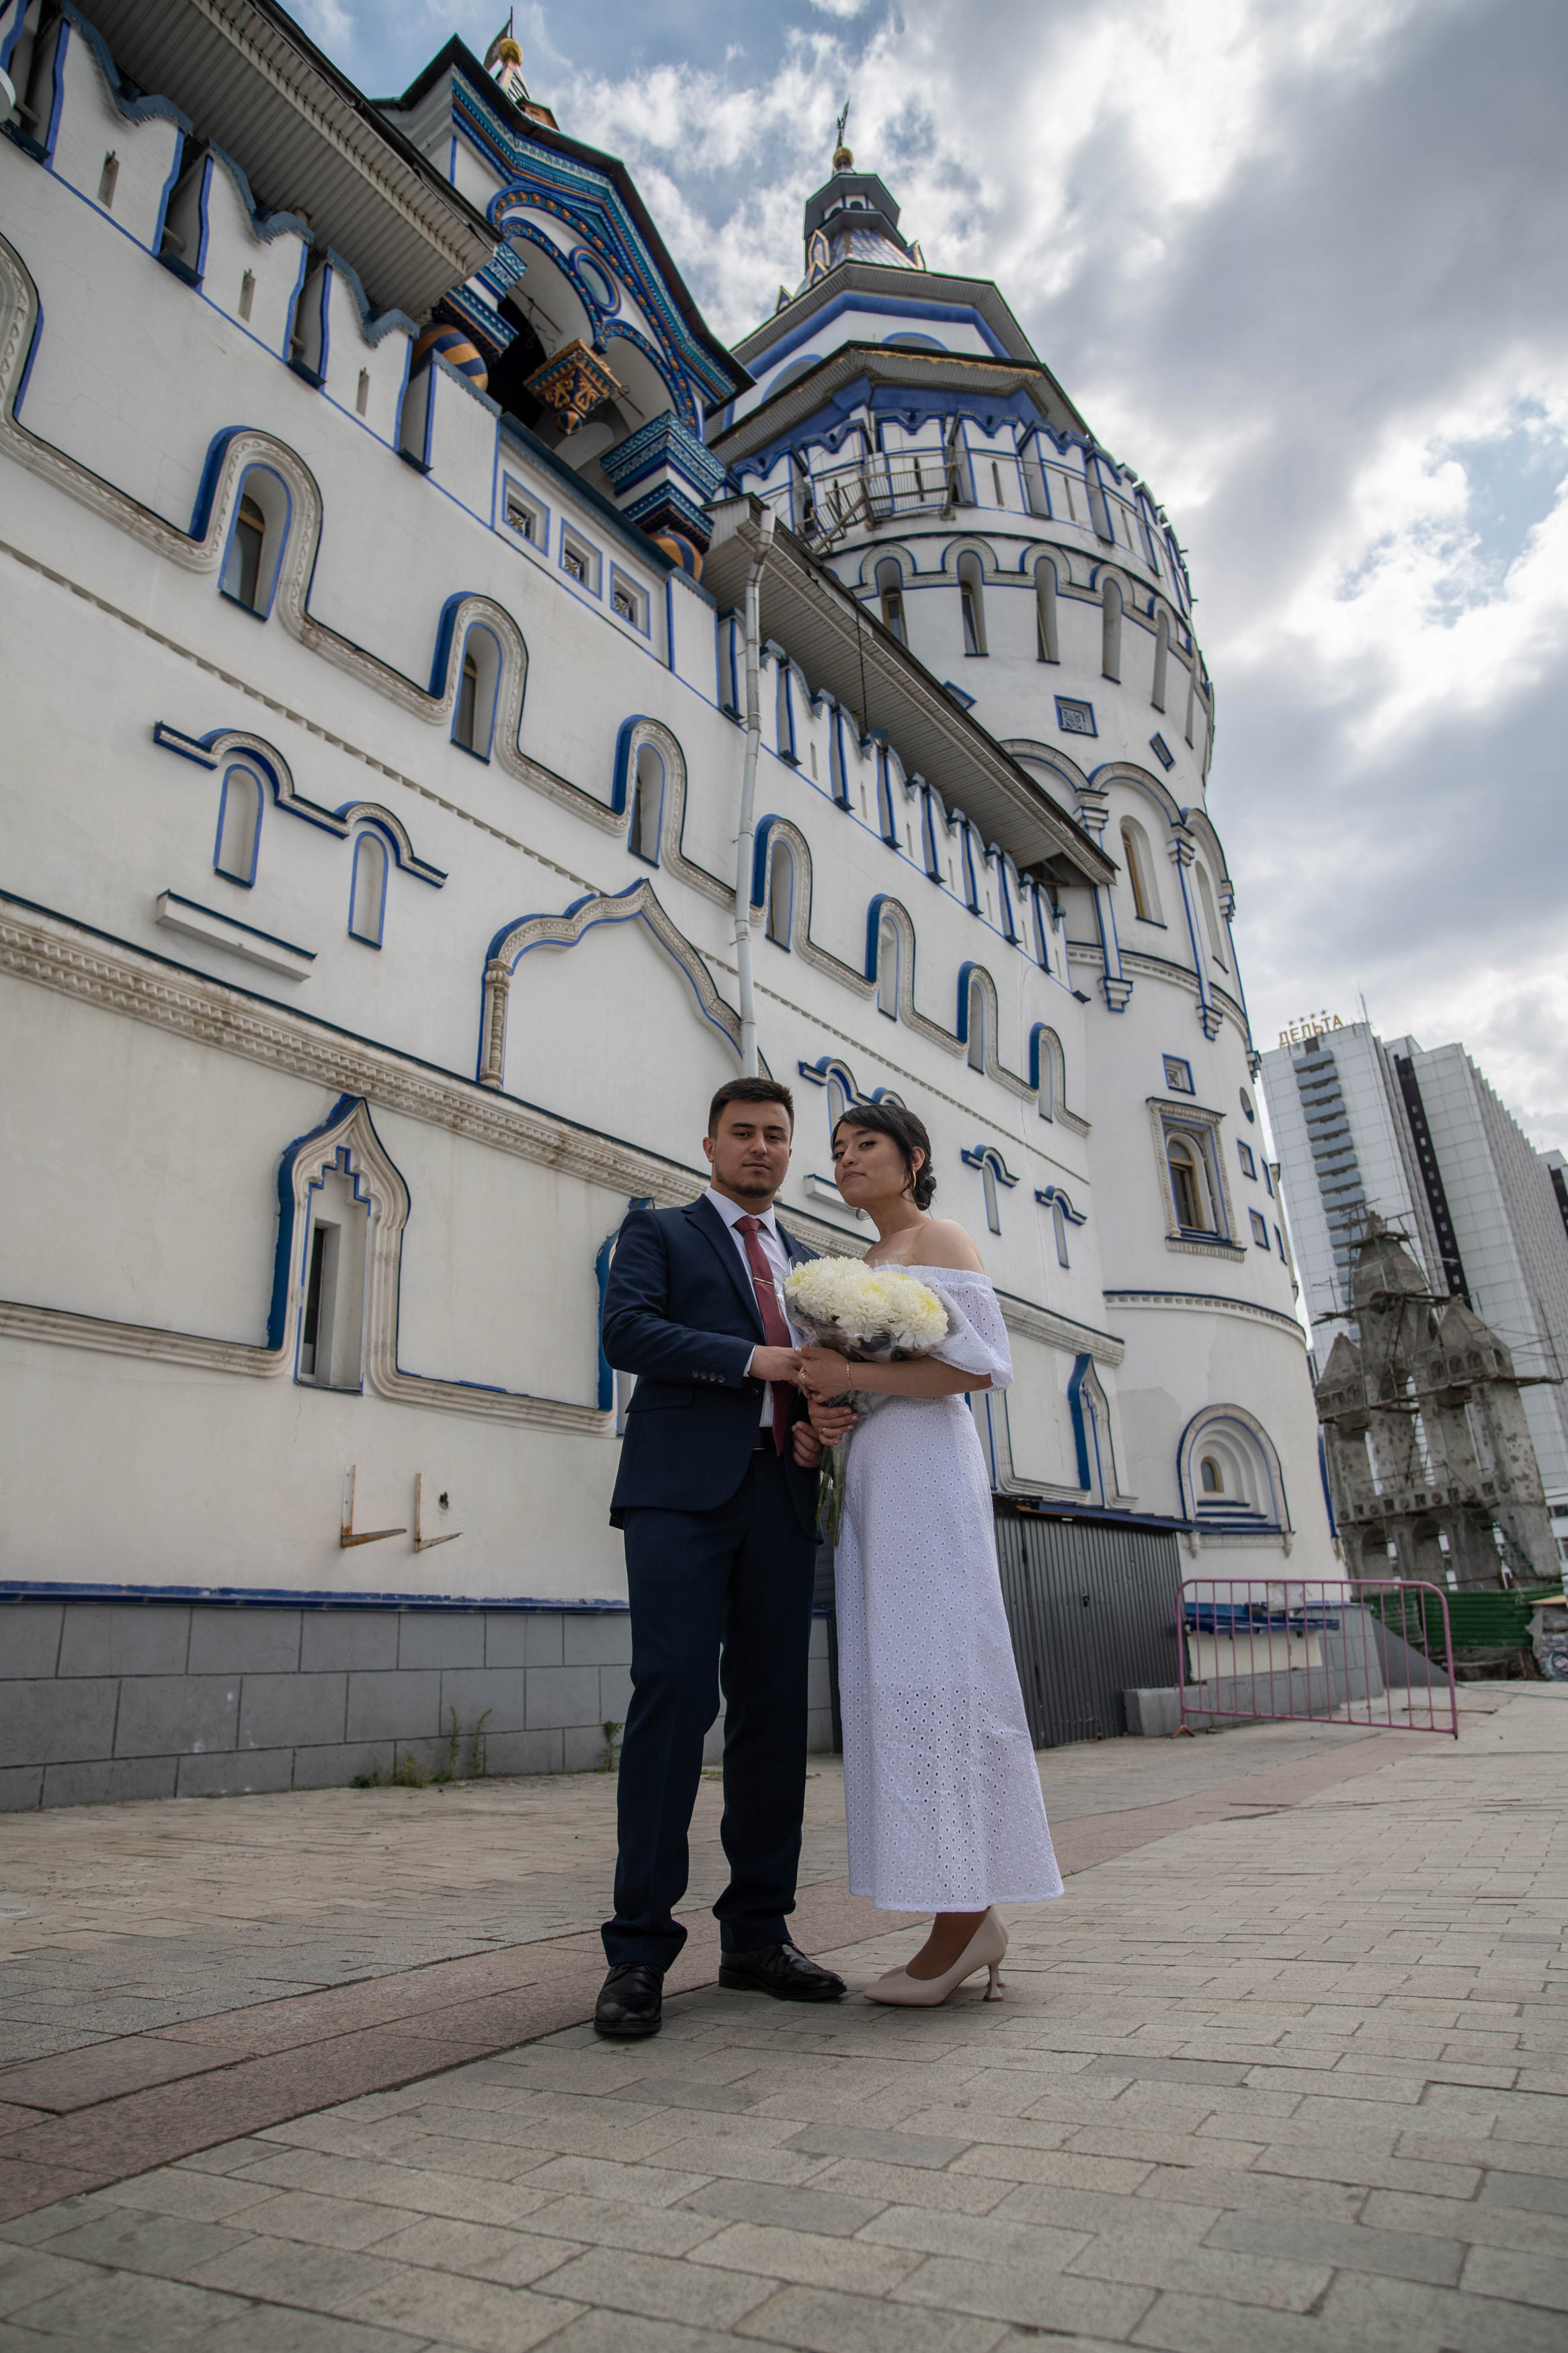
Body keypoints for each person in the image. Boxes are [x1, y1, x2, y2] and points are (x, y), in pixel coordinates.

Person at [594, 1077, 854, 2038]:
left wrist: (824, 1415)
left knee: (774, 1715)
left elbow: (828, 1377)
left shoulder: (813, 1266)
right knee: (672, 1696)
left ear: (791, 1153)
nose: (759, 1149)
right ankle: (636, 1951)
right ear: (709, 1144)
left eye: (776, 1136)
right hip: (677, 1497)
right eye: (742, 1133)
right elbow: (625, 1334)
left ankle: (755, 1934)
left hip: (779, 1499)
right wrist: (760, 1365)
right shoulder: (658, 1233)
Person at [800, 1099, 1062, 2005]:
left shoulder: (939, 1236)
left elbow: (978, 1366)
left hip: (928, 1468)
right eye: (836, 1150)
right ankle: (957, 1909)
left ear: (913, 1157)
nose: (846, 1159)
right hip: (874, 1474)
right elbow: (857, 1379)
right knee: (892, 1681)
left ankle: (964, 1918)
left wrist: (853, 1376)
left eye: (864, 1144)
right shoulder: (861, 1265)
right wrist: (827, 1408)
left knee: (939, 1673)